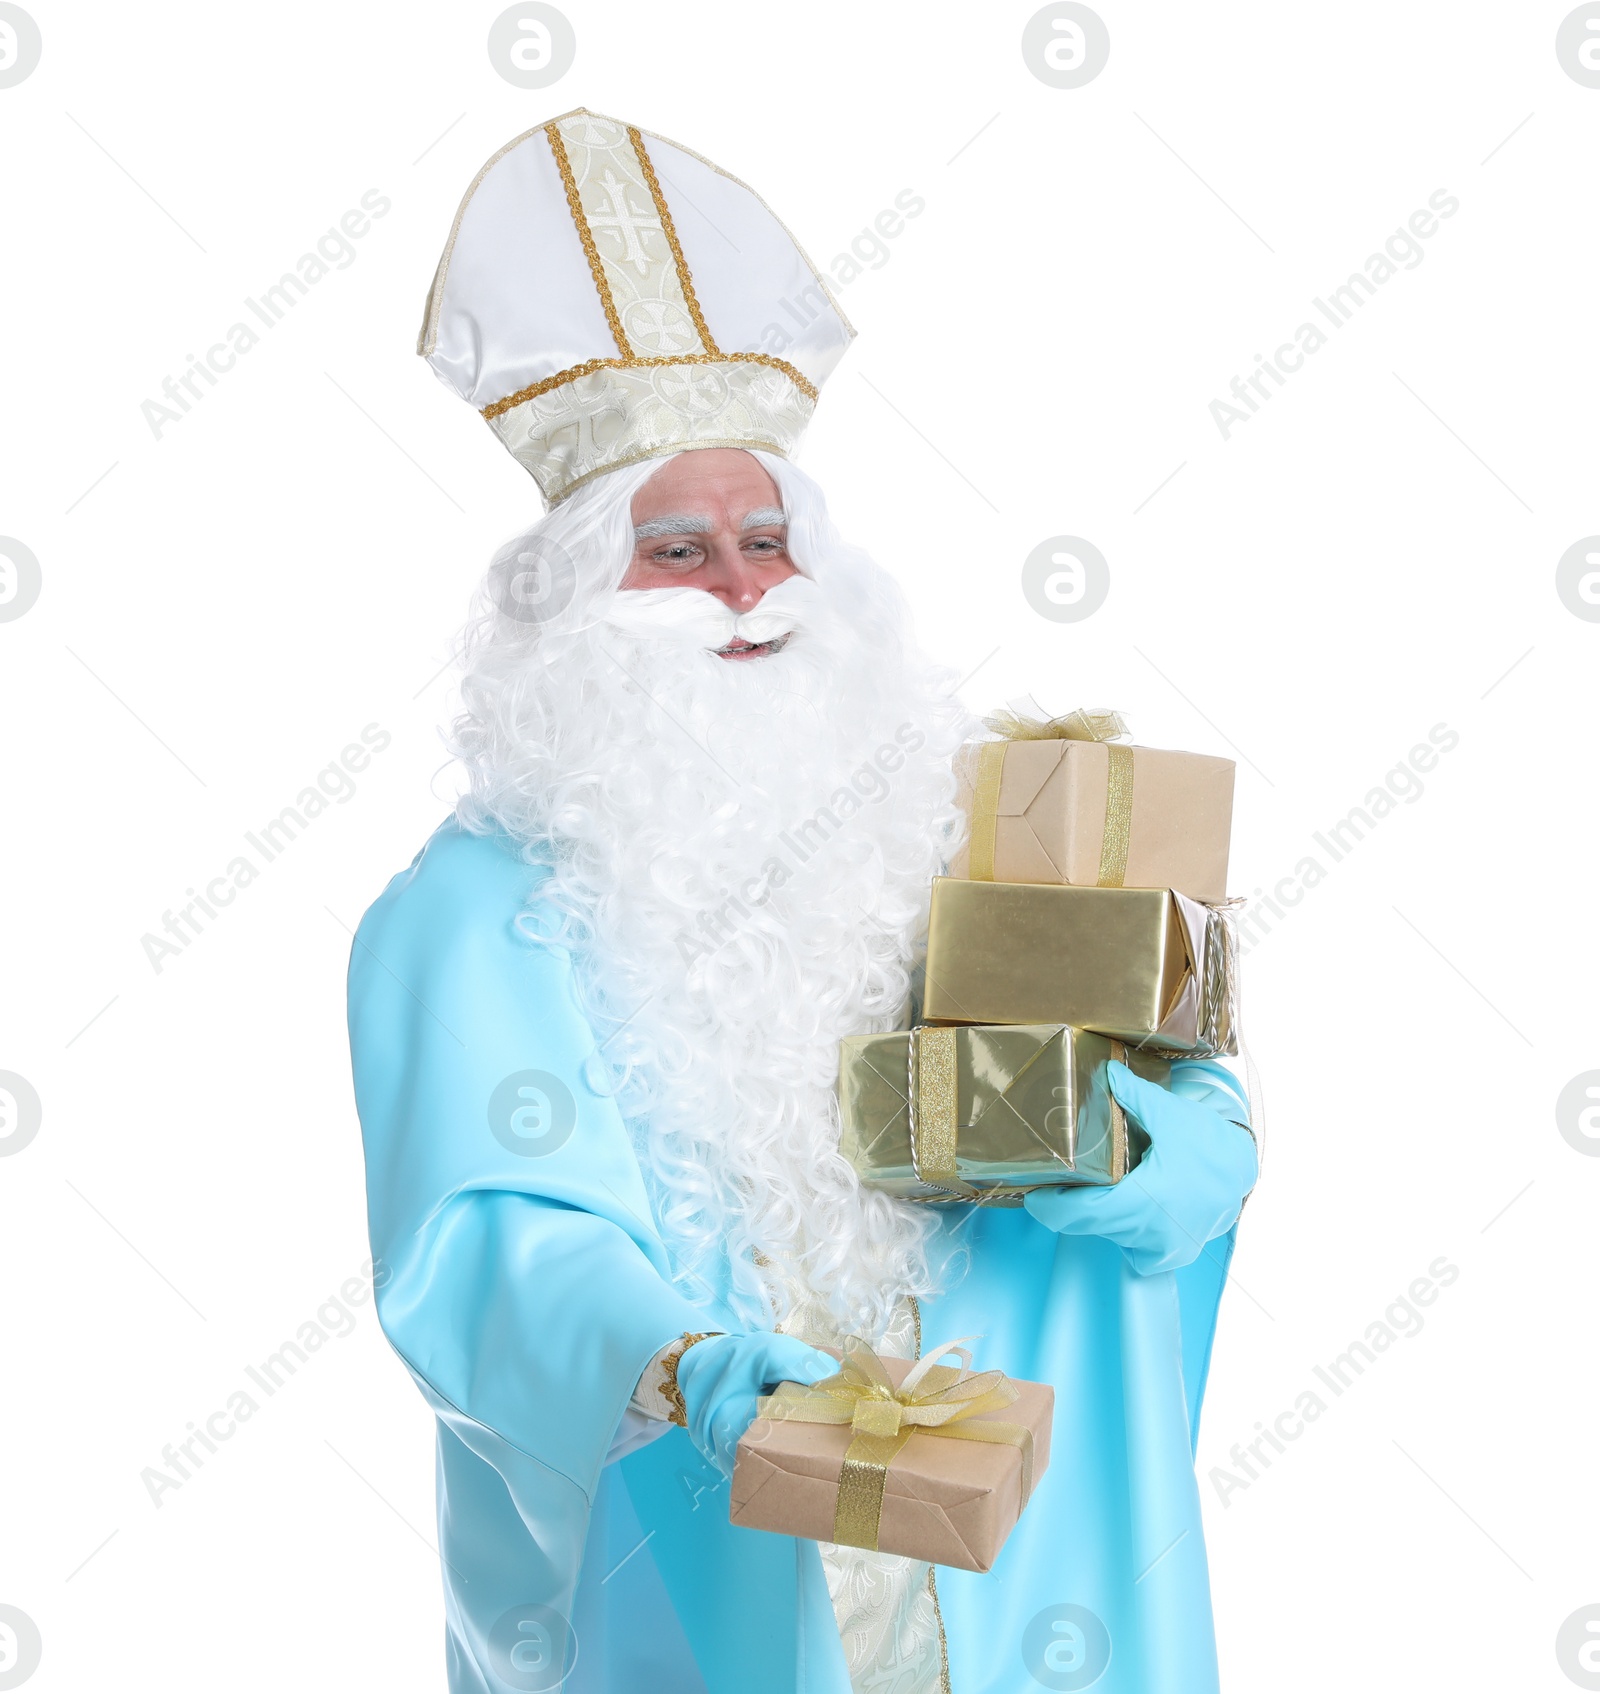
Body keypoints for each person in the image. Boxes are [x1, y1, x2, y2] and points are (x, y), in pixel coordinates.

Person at [348, 107, 1257, 1694]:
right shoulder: (470, 910)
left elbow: (1112, 1034)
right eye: (678, 551)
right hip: (713, 1561)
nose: (747, 588)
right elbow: (485, 1240)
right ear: (567, 608)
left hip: (1026, 1536)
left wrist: (1199, 1140)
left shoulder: (946, 815)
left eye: (767, 537)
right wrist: (678, 1364)